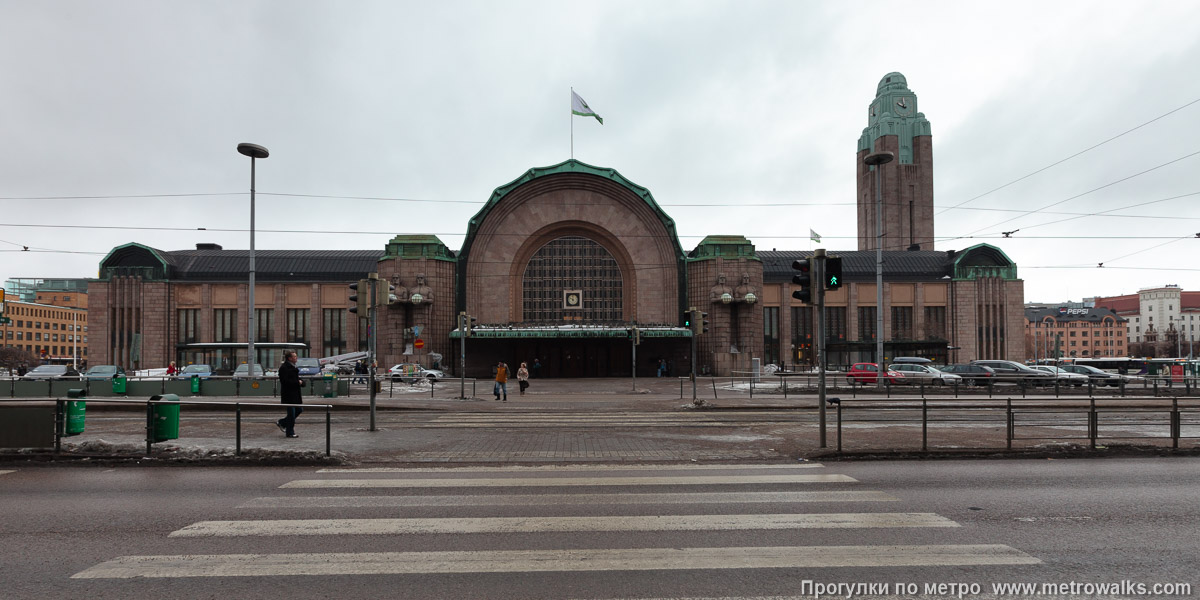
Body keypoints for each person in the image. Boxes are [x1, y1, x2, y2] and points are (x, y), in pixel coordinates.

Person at [276, 350, 304, 438]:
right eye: (294, 357)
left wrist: (302, 382)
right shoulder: (284, 368)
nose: (296, 358)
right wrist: (298, 382)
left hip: (295, 394)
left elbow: (298, 379)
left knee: (299, 410)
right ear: (290, 358)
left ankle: (282, 422)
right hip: (289, 394)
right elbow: (285, 381)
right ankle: (290, 432)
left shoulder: (293, 367)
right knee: (291, 414)